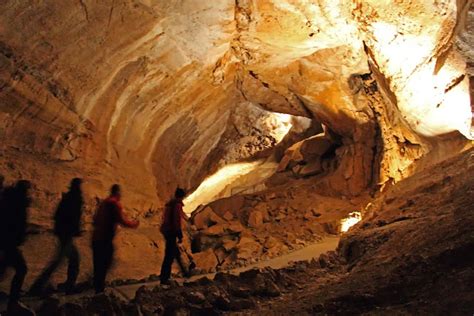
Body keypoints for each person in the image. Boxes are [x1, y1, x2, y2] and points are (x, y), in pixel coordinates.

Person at [29, 178, 83, 295]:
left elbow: (57, 215)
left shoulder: (67, 197)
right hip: (67, 235)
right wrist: (75, 230)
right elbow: (74, 218)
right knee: (59, 261)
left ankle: (68, 285)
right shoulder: (76, 198)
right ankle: (37, 287)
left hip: (63, 233)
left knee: (73, 259)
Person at [92, 184, 139, 293]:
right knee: (106, 261)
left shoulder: (104, 203)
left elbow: (95, 219)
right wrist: (134, 224)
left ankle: (97, 286)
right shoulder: (114, 204)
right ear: (117, 193)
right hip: (105, 238)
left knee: (98, 262)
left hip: (96, 237)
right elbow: (122, 220)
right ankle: (99, 288)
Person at [0, 180, 31, 314]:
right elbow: (14, 224)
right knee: (21, 269)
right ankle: (13, 303)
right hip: (9, 243)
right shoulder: (18, 203)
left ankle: (13, 302)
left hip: (7, 243)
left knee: (3, 270)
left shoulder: (10, 200)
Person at [159, 187, 189, 285]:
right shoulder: (176, 205)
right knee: (170, 255)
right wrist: (179, 234)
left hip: (167, 231)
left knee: (174, 253)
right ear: (182, 196)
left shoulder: (170, 204)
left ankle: (185, 272)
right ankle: (164, 278)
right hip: (171, 231)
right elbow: (176, 221)